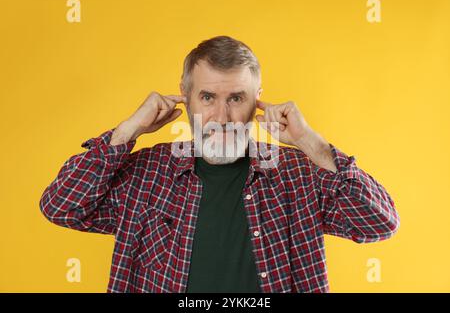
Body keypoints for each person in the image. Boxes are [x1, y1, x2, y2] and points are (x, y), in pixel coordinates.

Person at [39, 35, 400, 293]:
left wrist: (311, 143)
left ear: (258, 100)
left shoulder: (300, 173)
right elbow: (61, 207)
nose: (222, 115)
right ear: (186, 96)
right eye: (208, 97)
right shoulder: (145, 173)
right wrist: (128, 130)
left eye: (236, 98)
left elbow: (380, 223)